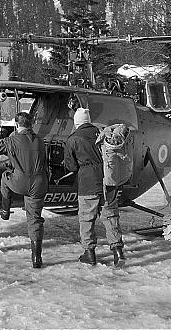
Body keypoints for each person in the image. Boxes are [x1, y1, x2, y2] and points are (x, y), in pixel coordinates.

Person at [65, 108, 125, 266]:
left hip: (87, 183)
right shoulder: (102, 131)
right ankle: (118, 252)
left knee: (86, 218)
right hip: (108, 180)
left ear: (77, 122)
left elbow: (70, 166)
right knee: (110, 217)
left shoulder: (73, 139)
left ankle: (89, 253)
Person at [0, 113, 48, 268]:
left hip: (20, 181)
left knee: (4, 177)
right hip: (40, 183)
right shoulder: (41, 140)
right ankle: (36, 258)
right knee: (34, 218)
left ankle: (5, 210)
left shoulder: (11, 140)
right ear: (31, 124)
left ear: (16, 124)